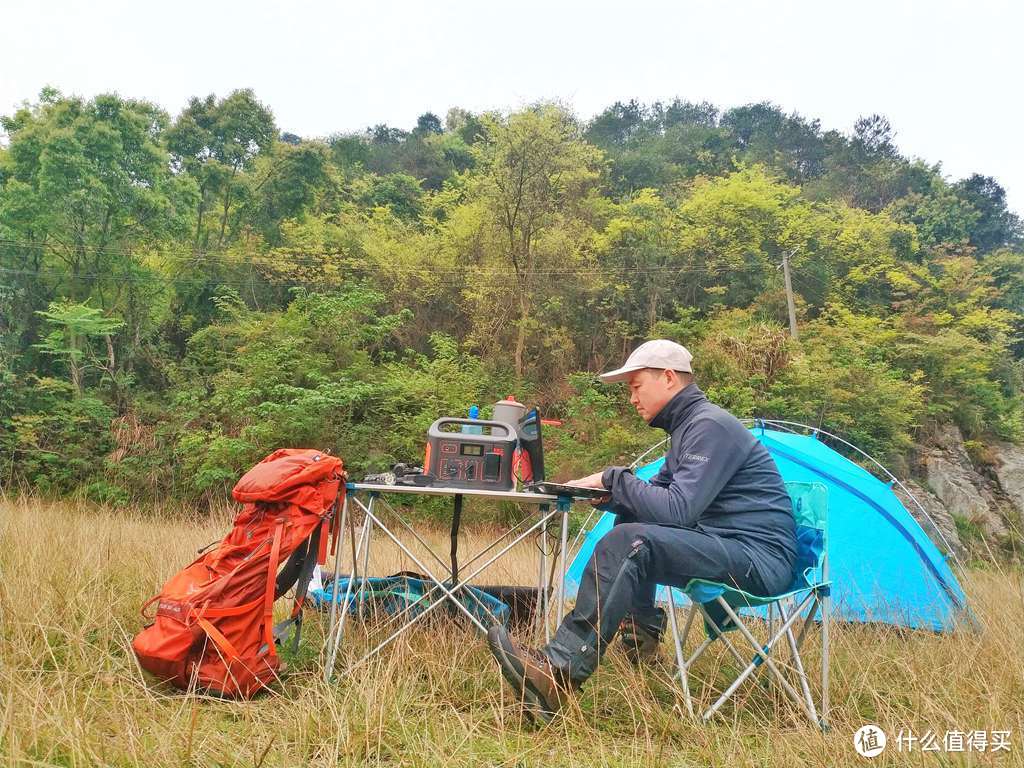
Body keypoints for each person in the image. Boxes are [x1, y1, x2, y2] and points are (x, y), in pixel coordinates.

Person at [486, 339, 798, 723]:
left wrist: (611, 478)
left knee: (628, 540)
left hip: (758, 559)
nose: (632, 398)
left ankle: (559, 672)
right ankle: (641, 648)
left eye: (636, 387)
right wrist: (600, 493)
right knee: (629, 525)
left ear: (668, 378)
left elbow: (678, 511)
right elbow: (659, 498)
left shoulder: (710, 426)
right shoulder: (689, 429)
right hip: (729, 545)